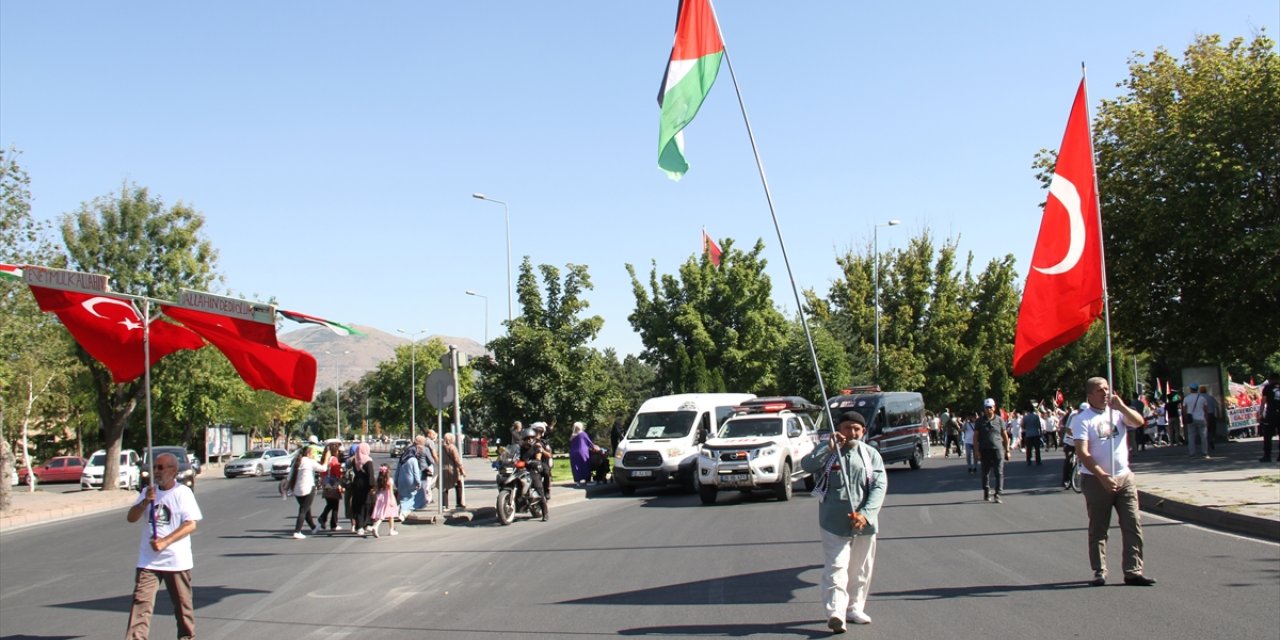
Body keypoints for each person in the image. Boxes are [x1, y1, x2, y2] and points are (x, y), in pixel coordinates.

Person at [800, 411, 887, 633]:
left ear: (863, 431)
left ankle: (855, 607)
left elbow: (879, 486)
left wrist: (865, 514)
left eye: (857, 429)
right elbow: (807, 465)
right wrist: (826, 447)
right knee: (837, 567)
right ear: (839, 429)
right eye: (848, 428)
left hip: (864, 523)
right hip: (833, 521)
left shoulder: (870, 454)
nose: (852, 433)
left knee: (860, 568)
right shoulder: (829, 452)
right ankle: (836, 612)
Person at [1072, 376, 1157, 587]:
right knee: (1099, 527)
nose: (1105, 393)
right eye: (1100, 390)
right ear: (1090, 395)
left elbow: (1139, 422)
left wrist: (1122, 406)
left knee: (1132, 523)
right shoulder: (1082, 419)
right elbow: (1082, 452)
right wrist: (1102, 475)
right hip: (1096, 480)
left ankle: (1133, 570)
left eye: (1107, 389)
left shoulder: (1117, 413)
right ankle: (1099, 570)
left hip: (1124, 477)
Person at [125, 452, 202, 640]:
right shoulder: (148, 492)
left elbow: (191, 524)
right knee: (140, 605)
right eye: (155, 468)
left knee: (182, 607)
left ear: (173, 470)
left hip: (176, 561)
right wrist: (145, 502)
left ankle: (186, 637)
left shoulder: (182, 493)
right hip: (148, 561)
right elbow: (131, 518)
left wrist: (165, 541)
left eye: (161, 467)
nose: (156, 472)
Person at [974, 399, 1011, 503]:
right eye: (986, 407)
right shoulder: (979, 421)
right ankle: (986, 490)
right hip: (985, 450)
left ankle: (998, 493)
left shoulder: (999, 420)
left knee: (999, 472)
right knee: (985, 473)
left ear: (994, 408)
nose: (988, 409)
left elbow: (1005, 435)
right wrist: (976, 452)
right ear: (984, 408)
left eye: (990, 407)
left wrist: (1007, 450)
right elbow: (975, 437)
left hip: (997, 450)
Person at [287, 445, 323, 539]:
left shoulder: (296, 461)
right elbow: (323, 469)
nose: (313, 455)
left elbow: (289, 476)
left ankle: (313, 527)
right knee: (303, 510)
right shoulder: (309, 461)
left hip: (296, 489)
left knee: (306, 509)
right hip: (308, 488)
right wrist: (327, 458)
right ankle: (297, 531)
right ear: (308, 453)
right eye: (312, 453)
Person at [317, 441, 344, 532]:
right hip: (333, 483)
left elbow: (322, 472)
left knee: (329, 503)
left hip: (326, 482)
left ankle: (323, 519)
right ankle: (332, 523)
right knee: (335, 504)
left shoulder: (324, 459)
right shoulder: (334, 460)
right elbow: (337, 473)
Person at [348, 442, 375, 535]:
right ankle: (367, 524)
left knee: (358, 505)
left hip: (357, 484)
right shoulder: (368, 460)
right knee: (367, 505)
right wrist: (372, 486)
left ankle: (359, 526)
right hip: (365, 485)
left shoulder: (356, 459)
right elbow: (371, 475)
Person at [367, 464, 399, 537]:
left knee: (381, 513)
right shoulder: (390, 480)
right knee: (388, 515)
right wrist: (392, 500)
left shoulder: (379, 479)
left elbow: (377, 488)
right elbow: (390, 491)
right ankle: (378, 527)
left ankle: (377, 528)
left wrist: (374, 491)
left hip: (380, 497)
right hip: (387, 497)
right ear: (388, 471)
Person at [1184, 383, 1211, 458]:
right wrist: (1207, 419)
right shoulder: (1202, 398)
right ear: (1197, 389)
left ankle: (1192, 453)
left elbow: (1184, 410)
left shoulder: (1186, 398)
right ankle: (1205, 453)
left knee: (1191, 436)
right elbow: (1206, 409)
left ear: (1190, 389)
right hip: (1201, 419)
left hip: (1191, 419)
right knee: (1203, 436)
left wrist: (1186, 418)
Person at [441, 432, 466, 510]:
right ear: (451, 439)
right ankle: (459, 504)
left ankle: (444, 505)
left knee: (444, 487)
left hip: (443, 468)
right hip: (452, 469)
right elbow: (457, 459)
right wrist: (462, 469)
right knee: (458, 484)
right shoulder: (452, 447)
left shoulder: (441, 447)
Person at [1260, 374, 1279, 463]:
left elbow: (1263, 402)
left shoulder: (1267, 388)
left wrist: (1261, 414)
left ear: (1270, 379)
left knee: (1267, 436)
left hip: (1271, 413)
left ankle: (1267, 456)